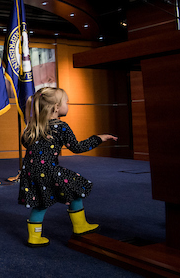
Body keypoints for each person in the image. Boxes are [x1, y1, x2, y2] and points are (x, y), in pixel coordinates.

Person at [18, 87, 118, 247]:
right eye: (67, 102)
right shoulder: (60, 126)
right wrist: (98, 138)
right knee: (76, 189)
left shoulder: (32, 126)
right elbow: (77, 147)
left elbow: (25, 143)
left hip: (30, 171)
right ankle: (80, 226)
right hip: (49, 170)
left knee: (40, 203)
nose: (68, 105)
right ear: (56, 107)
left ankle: (34, 237)